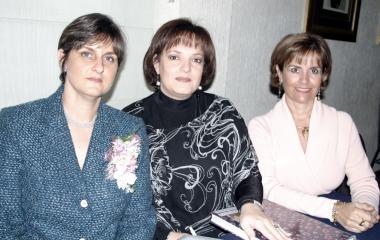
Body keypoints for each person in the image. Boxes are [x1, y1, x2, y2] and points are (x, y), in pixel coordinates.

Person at [123, 18, 291, 240]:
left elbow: (247, 170)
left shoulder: (223, 111)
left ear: (204, 68)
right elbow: (123, 203)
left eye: (196, 60)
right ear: (156, 63)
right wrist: (172, 237)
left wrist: (250, 206)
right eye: (174, 57)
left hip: (230, 231)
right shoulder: (129, 122)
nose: (186, 68)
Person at [0, 13, 156, 239]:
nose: (99, 67)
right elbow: (5, 223)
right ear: (63, 58)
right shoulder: (17, 124)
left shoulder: (129, 130)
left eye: (109, 58)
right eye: (87, 54)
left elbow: (138, 219)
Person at [248, 33, 380, 234]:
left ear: (324, 76)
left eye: (314, 70)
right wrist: (334, 210)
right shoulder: (261, 127)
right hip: (281, 222)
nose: (304, 80)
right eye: (295, 69)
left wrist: (365, 210)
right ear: (279, 72)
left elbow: (364, 181)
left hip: (338, 221)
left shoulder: (342, 122)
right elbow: (268, 189)